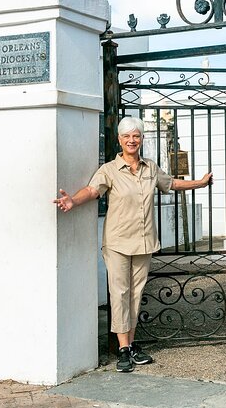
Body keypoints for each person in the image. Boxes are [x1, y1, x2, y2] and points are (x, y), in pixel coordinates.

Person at [53, 117, 212, 372]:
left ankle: (131, 343)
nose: (132, 140)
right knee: (120, 293)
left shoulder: (150, 168)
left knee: (136, 294)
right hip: (117, 242)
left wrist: (199, 183)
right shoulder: (109, 170)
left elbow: (170, 183)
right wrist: (72, 201)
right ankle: (123, 349)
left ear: (141, 139)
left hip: (144, 241)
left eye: (136, 136)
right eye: (127, 136)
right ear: (119, 140)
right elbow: (93, 191)